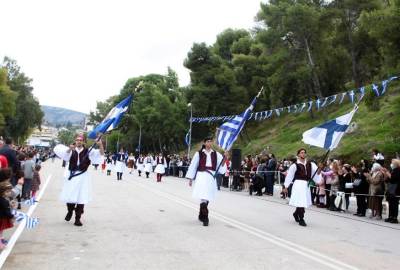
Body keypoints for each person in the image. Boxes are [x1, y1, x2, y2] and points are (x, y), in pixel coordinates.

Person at [53, 134, 104, 226]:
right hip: (72, 175)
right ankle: (70, 211)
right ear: (75, 141)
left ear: (84, 141)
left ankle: (77, 218)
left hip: (83, 176)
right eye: (77, 140)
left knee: (81, 198)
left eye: (80, 140)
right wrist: (69, 149)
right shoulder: (71, 150)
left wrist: (100, 144)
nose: (78, 141)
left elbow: (101, 154)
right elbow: (64, 155)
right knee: (70, 197)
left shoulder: (89, 151)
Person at [186, 136, 226, 226]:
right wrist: (191, 178)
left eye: (211, 141)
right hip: (201, 175)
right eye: (208, 141)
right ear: (204, 143)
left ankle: (201, 215)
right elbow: (193, 166)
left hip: (211, 177)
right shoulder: (199, 154)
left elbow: (221, 164)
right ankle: (205, 217)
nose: (209, 143)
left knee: (207, 196)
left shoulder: (216, 154)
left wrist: (226, 157)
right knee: (203, 195)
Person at [283, 148, 322, 226]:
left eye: (304, 152)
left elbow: (317, 173)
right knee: (301, 201)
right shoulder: (295, 165)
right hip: (298, 184)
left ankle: (296, 213)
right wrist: (286, 186)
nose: (303, 154)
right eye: (301, 153)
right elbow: (290, 176)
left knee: (303, 201)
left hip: (306, 184)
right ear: (298, 155)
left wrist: (320, 168)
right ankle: (301, 218)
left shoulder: (311, 164)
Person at [381, 159, 400, 223]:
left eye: (392, 163)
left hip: (396, 190)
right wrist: (385, 174)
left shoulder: (398, 170)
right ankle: (390, 216)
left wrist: (387, 173)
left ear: (396, 164)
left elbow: (393, 179)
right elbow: (387, 180)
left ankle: (394, 218)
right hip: (390, 189)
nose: (391, 164)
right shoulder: (392, 170)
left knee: (394, 204)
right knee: (390, 204)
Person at [0, 181, 15, 250]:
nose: (9, 193)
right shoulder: (4, 201)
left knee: (1, 230)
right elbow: (7, 212)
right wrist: (12, 216)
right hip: (2, 218)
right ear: (2, 192)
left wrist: (9, 205)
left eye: (9, 191)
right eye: (7, 191)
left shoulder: (3, 199)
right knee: (0, 230)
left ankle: (1, 239)